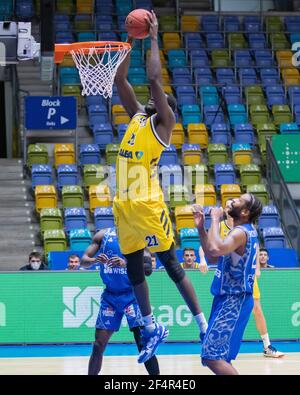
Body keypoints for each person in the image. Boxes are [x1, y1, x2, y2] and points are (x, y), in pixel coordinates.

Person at [113, 10, 208, 364]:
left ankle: (202, 325)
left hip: (148, 203)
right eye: (158, 96)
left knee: (170, 263)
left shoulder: (163, 125)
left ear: (168, 109)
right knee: (134, 268)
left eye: (164, 97)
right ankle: (151, 326)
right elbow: (121, 81)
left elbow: (154, 78)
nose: (158, 95)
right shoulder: (139, 115)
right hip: (123, 205)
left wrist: (153, 37)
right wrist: (128, 41)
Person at [193, 194, 263, 375]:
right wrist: (201, 229)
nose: (232, 201)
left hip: (234, 300)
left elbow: (216, 248)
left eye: (238, 200)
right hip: (229, 299)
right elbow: (211, 255)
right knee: (221, 358)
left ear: (245, 212)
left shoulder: (240, 232)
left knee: (212, 356)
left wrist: (215, 218)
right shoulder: (243, 231)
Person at [81, 227, 160, 376]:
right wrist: (94, 260)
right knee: (98, 345)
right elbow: (83, 261)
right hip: (110, 297)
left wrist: (126, 264)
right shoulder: (103, 235)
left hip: (132, 296)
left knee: (143, 344)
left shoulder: (137, 235)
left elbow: (148, 269)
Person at [220, 200, 284, 358]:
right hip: (228, 278)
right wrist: (202, 259)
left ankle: (267, 346)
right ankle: (220, 346)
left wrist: (256, 267)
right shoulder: (221, 227)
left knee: (257, 309)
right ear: (224, 209)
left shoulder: (246, 228)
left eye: (233, 204)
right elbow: (207, 247)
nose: (230, 206)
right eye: (228, 205)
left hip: (246, 275)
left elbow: (255, 247)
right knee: (225, 311)